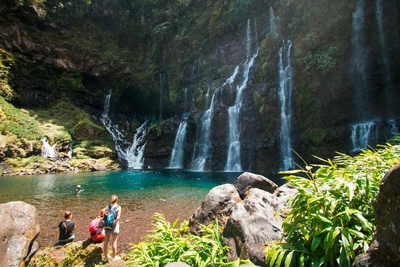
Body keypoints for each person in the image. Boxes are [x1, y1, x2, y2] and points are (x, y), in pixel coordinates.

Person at [103, 195, 121, 261]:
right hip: (114, 226)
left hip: (107, 226)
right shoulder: (118, 207)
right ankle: (114, 257)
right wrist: (114, 224)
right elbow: (118, 217)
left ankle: (105, 256)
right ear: (117, 200)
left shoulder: (107, 206)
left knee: (106, 241)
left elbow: (104, 215)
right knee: (114, 242)